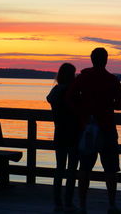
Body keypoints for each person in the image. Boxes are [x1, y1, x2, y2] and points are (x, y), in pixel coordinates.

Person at [68, 48, 121, 214]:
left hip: (87, 129)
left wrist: (83, 108)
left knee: (85, 169)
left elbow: (70, 98)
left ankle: (82, 206)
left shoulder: (83, 78)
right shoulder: (112, 80)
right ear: (106, 60)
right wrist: (108, 104)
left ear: (92, 59)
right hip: (107, 129)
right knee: (110, 169)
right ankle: (112, 205)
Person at [47, 63, 79, 213]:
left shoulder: (55, 91)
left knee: (59, 168)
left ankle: (57, 202)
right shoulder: (73, 93)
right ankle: (68, 202)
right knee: (72, 170)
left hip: (59, 133)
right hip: (73, 134)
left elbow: (50, 100)